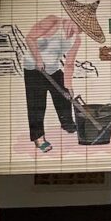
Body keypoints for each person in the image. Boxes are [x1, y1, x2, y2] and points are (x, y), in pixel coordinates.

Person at [24, 15, 82, 153]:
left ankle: (67, 124)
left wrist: (68, 85)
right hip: (34, 68)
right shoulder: (52, 21)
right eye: (77, 25)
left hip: (53, 68)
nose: (77, 30)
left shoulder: (76, 39)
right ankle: (38, 138)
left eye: (81, 29)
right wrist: (38, 59)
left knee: (65, 95)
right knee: (37, 105)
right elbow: (30, 38)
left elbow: (69, 63)